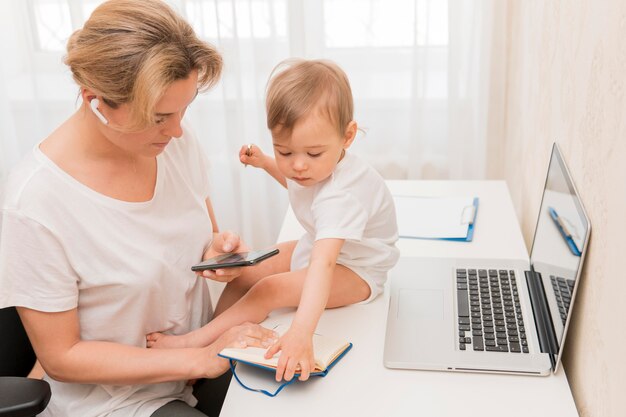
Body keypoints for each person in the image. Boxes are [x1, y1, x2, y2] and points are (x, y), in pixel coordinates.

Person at [0, 1, 277, 416]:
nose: (178, 129)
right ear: (94, 100)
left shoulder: (173, 143)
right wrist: (200, 358)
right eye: (160, 116)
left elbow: (199, 240)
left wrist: (215, 253)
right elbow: (61, 357)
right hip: (121, 399)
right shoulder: (37, 201)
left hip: (198, 359)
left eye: (185, 109)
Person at [147, 59, 400, 383]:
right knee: (245, 271)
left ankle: (191, 344)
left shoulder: (343, 197)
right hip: (321, 248)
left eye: (312, 154)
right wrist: (267, 163)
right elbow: (303, 188)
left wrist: (300, 333)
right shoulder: (311, 170)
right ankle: (212, 344)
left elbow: (323, 265)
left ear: (348, 136)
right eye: (284, 151)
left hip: (358, 271)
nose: (298, 167)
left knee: (268, 290)